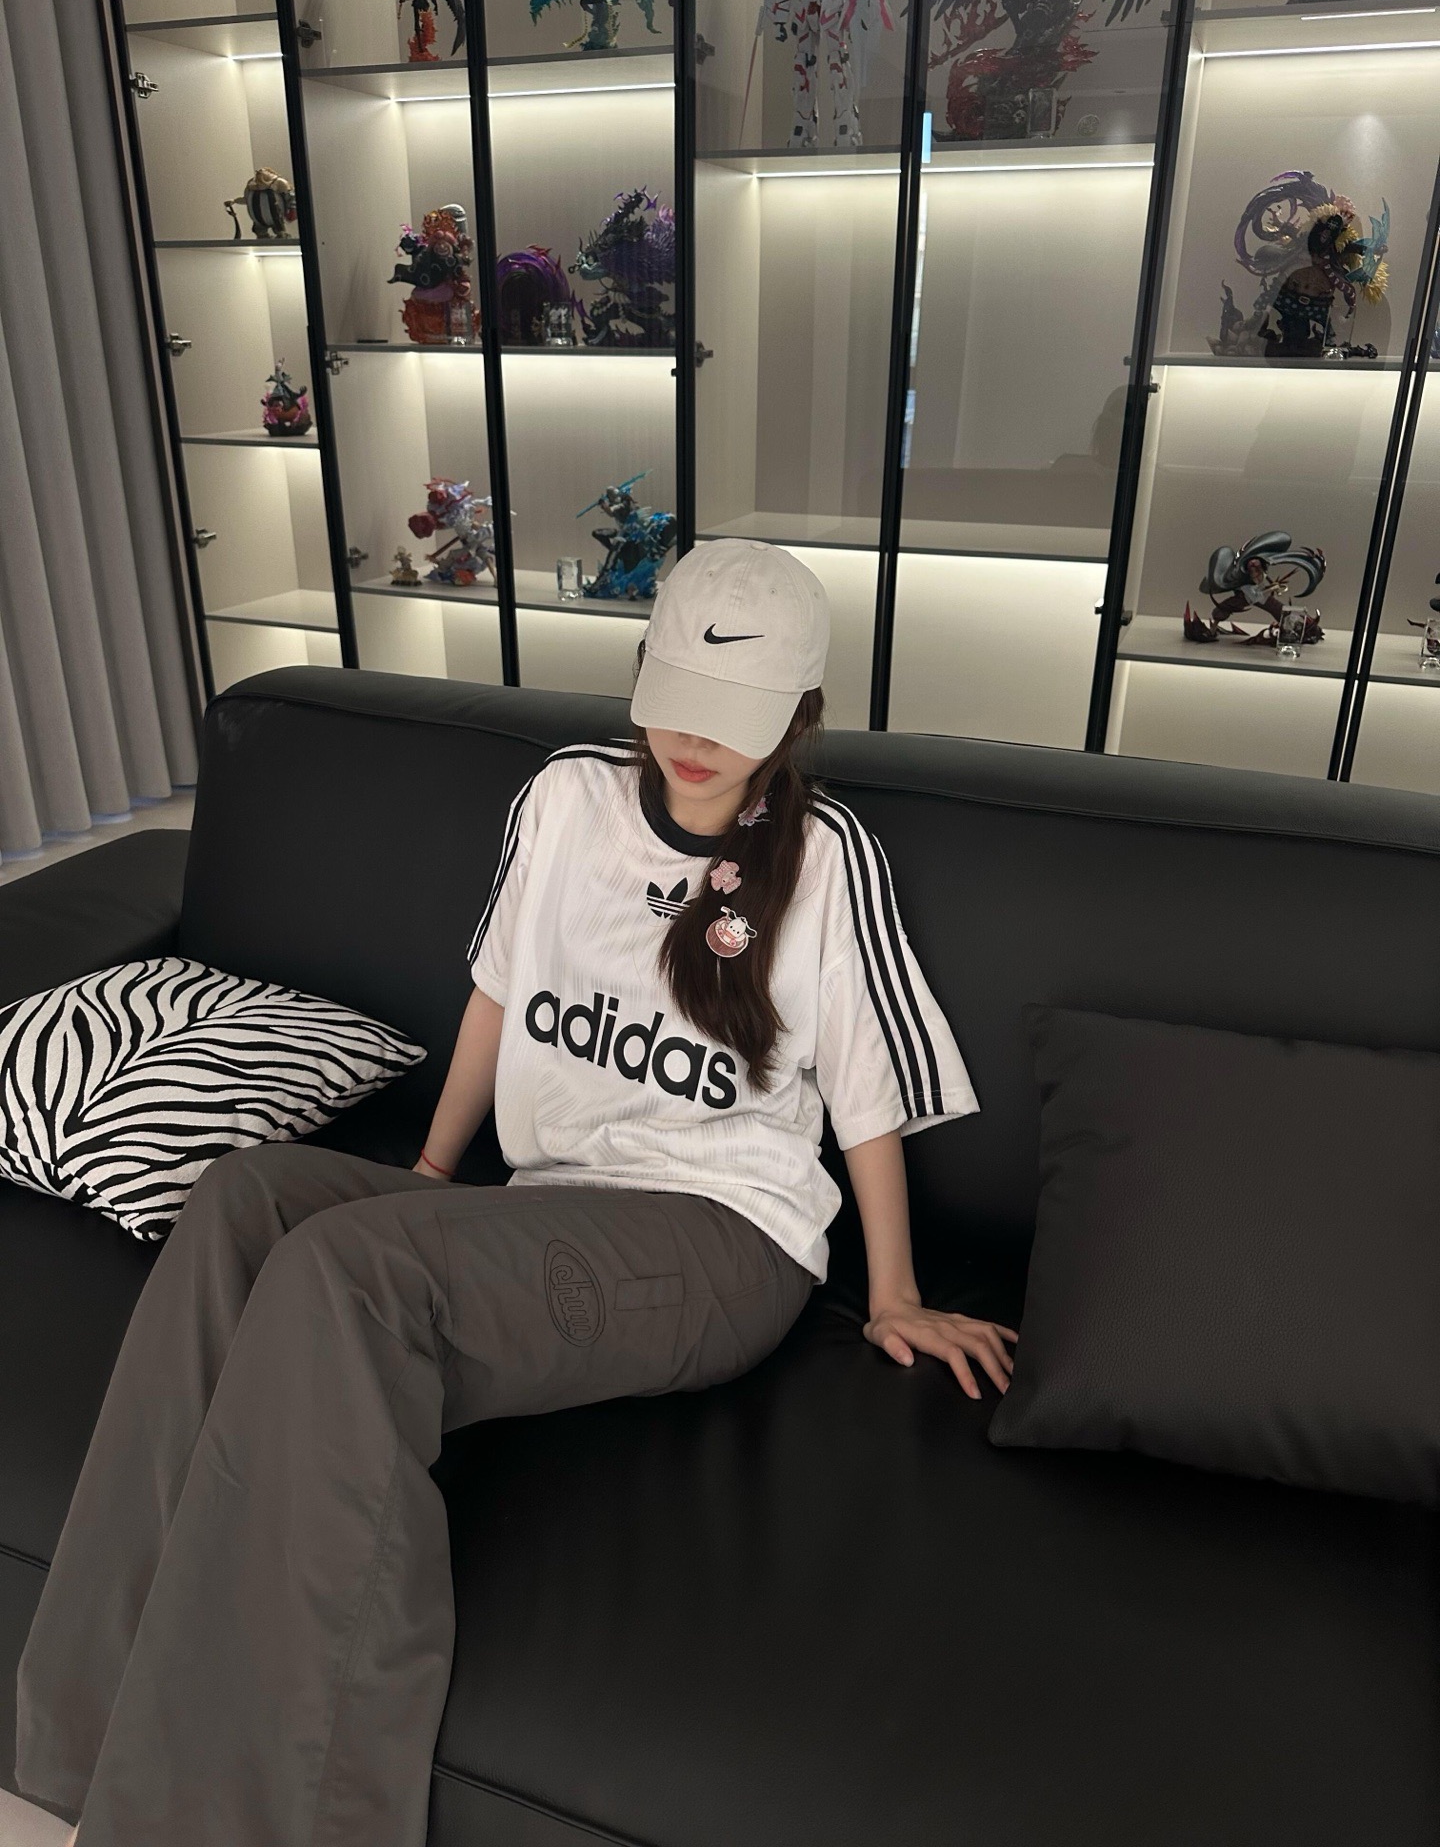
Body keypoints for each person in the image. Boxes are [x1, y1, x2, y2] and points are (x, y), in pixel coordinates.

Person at [17, 538, 1017, 1847]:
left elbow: (872, 1091)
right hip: (549, 1204)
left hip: (722, 1238)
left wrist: (893, 1294)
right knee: (246, 1200)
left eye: (732, 718)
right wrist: (430, 1175)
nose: (692, 742)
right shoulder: (564, 797)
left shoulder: (827, 858)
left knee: (348, 1279)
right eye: (675, 701)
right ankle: (82, 1741)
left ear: (796, 717)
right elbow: (494, 995)